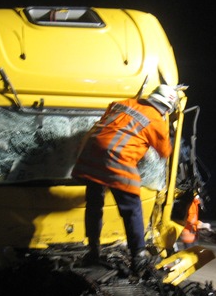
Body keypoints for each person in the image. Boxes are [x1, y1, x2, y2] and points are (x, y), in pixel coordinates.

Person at [72, 84, 178, 274]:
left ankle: (93, 250)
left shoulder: (121, 103)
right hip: (117, 160)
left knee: (94, 204)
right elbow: (165, 152)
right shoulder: (156, 120)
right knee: (131, 209)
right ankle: (138, 255)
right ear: (167, 108)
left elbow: (112, 127)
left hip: (90, 156)